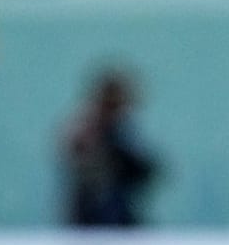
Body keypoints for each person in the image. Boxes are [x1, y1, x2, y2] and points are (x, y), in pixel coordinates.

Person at [61, 67, 157, 227]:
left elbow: (143, 171)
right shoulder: (89, 135)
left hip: (115, 221)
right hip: (93, 221)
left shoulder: (118, 136)